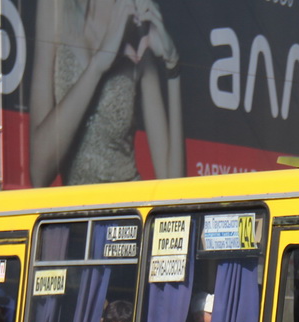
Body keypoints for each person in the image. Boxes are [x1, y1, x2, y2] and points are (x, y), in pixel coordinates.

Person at [28, 0, 184, 188]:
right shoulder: (54, 7)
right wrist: (97, 66)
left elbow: (173, 187)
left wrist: (172, 67)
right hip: (75, 211)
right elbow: (38, 174)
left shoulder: (138, 21)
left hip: (127, 210)